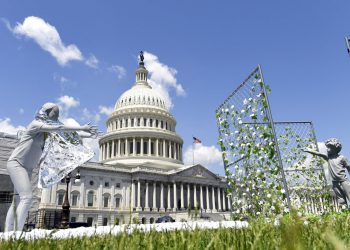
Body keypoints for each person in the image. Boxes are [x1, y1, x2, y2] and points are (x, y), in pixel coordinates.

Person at [4, 102, 97, 232]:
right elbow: (58, 128)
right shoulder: (35, 124)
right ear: (46, 112)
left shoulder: (46, 132)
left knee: (17, 200)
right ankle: (16, 232)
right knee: (27, 197)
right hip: (17, 164)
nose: (56, 116)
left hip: (27, 168)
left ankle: (8, 232)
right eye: (55, 113)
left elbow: (64, 135)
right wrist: (81, 127)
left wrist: (88, 135)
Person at [303, 138, 350, 206]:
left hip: (343, 180)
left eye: (330, 148)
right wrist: (309, 150)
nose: (327, 149)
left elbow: (348, 167)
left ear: (335, 148)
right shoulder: (328, 158)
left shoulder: (342, 158)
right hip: (334, 182)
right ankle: (344, 210)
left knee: (349, 194)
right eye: (327, 148)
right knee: (340, 198)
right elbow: (319, 154)